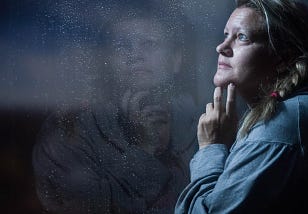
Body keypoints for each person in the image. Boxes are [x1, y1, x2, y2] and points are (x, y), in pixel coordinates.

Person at [32, 1, 198, 213]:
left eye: (149, 44)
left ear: (176, 59)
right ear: (106, 62)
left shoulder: (208, 124)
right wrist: (142, 151)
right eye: (122, 46)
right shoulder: (69, 130)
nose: (135, 55)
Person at [175, 0, 308, 213]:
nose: (221, 47)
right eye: (226, 35)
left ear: (283, 58)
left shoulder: (280, 126)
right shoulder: (298, 111)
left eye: (242, 37)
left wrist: (211, 148)